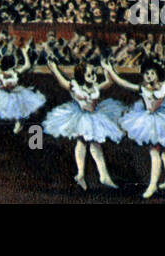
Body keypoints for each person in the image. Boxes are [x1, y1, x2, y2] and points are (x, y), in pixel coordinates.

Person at [107, 58, 165, 199]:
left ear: (158, 75)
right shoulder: (142, 88)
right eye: (146, 73)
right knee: (156, 150)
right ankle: (160, 182)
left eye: (152, 73)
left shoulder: (164, 86)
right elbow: (124, 83)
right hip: (148, 119)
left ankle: (163, 181)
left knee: (162, 149)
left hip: (162, 119)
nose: (149, 76)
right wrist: (110, 71)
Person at [42, 61, 123, 190]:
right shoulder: (76, 87)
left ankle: (98, 175)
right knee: (85, 143)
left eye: (94, 74)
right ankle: (86, 174)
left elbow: (109, 82)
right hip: (82, 117)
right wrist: (55, 69)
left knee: (92, 144)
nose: (93, 77)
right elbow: (63, 82)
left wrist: (107, 69)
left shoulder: (95, 86)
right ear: (82, 77)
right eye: (89, 75)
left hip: (95, 116)